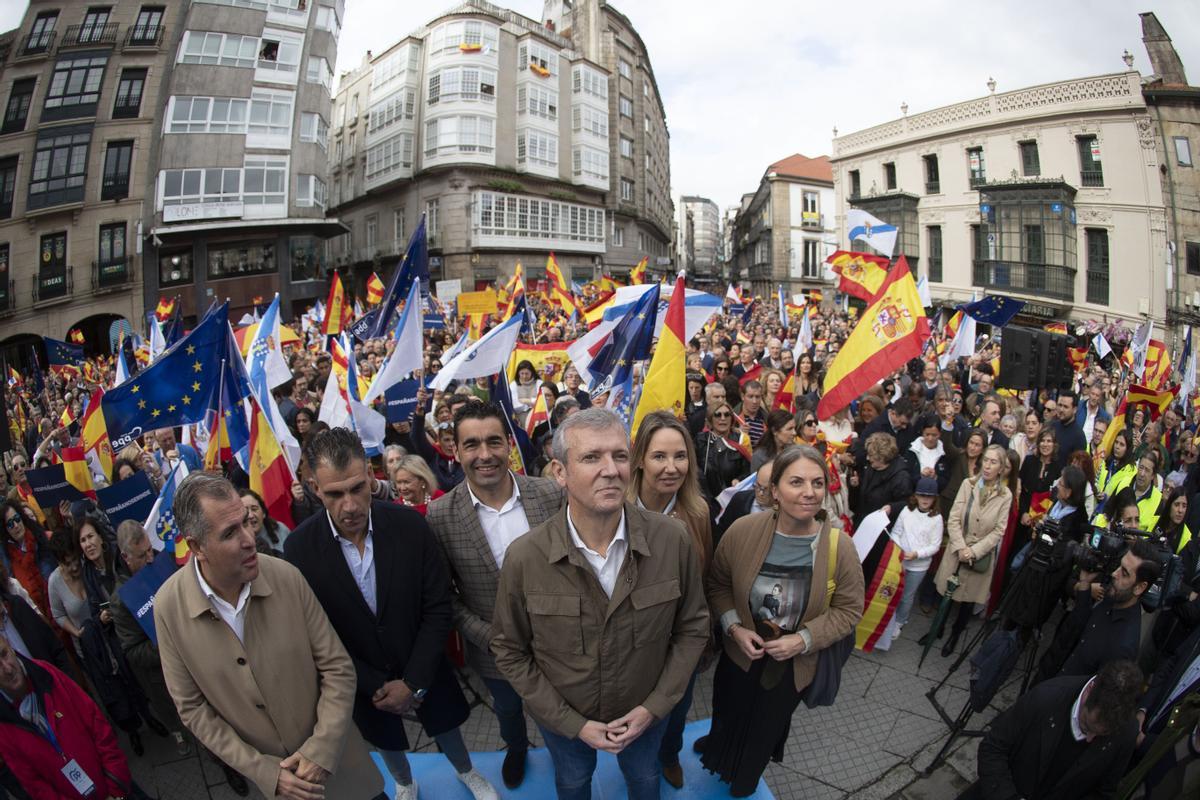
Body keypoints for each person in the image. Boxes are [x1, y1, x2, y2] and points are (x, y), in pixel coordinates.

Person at [491, 408, 710, 800]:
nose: (610, 469)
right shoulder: (525, 557)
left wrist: (653, 708)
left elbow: (693, 628)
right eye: (591, 457)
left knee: (644, 780)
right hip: (566, 724)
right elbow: (509, 650)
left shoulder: (672, 540)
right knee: (573, 784)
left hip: (646, 718)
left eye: (620, 455)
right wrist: (572, 723)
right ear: (559, 472)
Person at [285, 428, 497, 800]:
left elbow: (438, 606)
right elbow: (317, 634)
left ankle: (466, 771)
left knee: (447, 729)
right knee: (386, 742)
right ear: (314, 487)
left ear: (371, 476)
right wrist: (372, 685)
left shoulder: (411, 526)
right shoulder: (299, 548)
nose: (349, 506)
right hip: (363, 684)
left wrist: (413, 681)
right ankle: (403, 782)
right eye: (334, 494)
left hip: (425, 667)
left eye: (356, 488)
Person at [154, 472, 385, 800]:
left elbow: (337, 667)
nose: (250, 538)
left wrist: (320, 749)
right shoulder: (168, 608)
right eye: (231, 533)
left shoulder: (286, 576)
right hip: (276, 790)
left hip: (344, 771)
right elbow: (192, 709)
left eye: (247, 522)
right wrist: (264, 771)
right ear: (196, 546)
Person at [699, 445, 865, 797]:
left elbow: (849, 611)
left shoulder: (840, 547)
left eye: (818, 483)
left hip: (791, 665)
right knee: (727, 710)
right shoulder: (743, 531)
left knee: (765, 726)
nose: (809, 492)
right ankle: (717, 750)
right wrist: (734, 627)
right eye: (797, 482)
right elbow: (718, 584)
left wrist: (802, 640)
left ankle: (744, 781)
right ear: (774, 490)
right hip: (741, 653)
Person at [427, 402, 563, 790]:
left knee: (556, 710)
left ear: (509, 444)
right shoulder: (440, 516)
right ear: (456, 450)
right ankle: (516, 747)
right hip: (492, 653)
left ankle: (561, 750)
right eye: (472, 445)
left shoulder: (550, 495)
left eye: (493, 442)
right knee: (508, 709)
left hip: (557, 642)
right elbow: (446, 597)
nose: (484, 455)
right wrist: (490, 637)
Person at [628, 411, 715, 789]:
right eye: (659, 456)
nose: (671, 467)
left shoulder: (697, 512)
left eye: (680, 456)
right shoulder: (617, 510)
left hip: (681, 646)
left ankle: (668, 755)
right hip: (631, 645)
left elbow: (705, 578)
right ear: (640, 460)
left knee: (677, 711)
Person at [962, 660, 1143, 800]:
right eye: (1086, 727)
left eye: (1102, 735)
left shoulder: (1127, 733)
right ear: (1089, 691)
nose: (1089, 739)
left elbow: (1103, 793)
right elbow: (993, 748)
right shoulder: (1046, 698)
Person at [0, 633, 143, 800]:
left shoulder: (46, 673)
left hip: (117, 788)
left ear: (10, 646)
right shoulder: (3, 726)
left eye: (4, 654)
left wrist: (115, 786)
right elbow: (35, 785)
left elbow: (96, 722)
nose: (7, 668)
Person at [924, 444, 1013, 657]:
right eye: (986, 460)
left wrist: (974, 552)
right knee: (947, 592)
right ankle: (937, 629)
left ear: (1001, 468)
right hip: (958, 549)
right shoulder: (968, 484)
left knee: (967, 600)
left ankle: (956, 634)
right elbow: (954, 518)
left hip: (979, 555)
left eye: (994, 462)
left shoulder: (1005, 495)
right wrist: (961, 547)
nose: (988, 466)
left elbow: (999, 530)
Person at [1034, 539, 1161, 684]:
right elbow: (1078, 629)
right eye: (1119, 566)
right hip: (1046, 679)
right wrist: (1085, 583)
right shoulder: (1113, 597)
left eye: (1124, 573)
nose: (1114, 574)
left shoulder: (1123, 647)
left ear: (1140, 587)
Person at [875, 478, 943, 652]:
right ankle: (887, 618)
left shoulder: (937, 519)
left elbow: (935, 545)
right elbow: (896, 532)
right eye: (922, 495)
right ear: (916, 496)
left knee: (906, 596)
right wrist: (900, 549)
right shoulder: (906, 510)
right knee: (891, 591)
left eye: (929, 497)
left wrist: (917, 554)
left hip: (919, 566)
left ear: (934, 498)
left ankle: (899, 622)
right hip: (899, 560)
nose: (925, 499)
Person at [1, 500, 53, 621]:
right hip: (33, 617)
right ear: (5, 529)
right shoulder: (6, 558)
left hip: (57, 609)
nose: (16, 525)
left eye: (17, 519)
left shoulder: (43, 540)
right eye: (10, 524)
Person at [850, 432, 914, 523]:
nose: (867, 458)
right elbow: (860, 500)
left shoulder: (901, 477)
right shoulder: (870, 468)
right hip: (864, 523)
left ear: (882, 457)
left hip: (884, 528)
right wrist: (855, 487)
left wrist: (892, 508)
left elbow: (906, 504)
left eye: (871, 455)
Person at [695, 401, 751, 503]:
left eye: (727, 414)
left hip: (732, 500)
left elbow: (747, 471)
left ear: (732, 418)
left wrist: (739, 480)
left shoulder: (742, 439)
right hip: (706, 499)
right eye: (717, 415)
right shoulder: (701, 441)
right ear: (710, 419)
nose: (723, 418)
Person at [237, 488, 291, 556]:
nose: (250, 515)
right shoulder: (237, 544)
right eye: (245, 511)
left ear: (264, 513)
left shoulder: (281, 530)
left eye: (254, 509)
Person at [1050, 392, 1087, 468]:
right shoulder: (1051, 426)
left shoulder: (1079, 437)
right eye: (1060, 405)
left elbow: (1077, 467)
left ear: (1074, 410)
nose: (1061, 409)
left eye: (1066, 407)